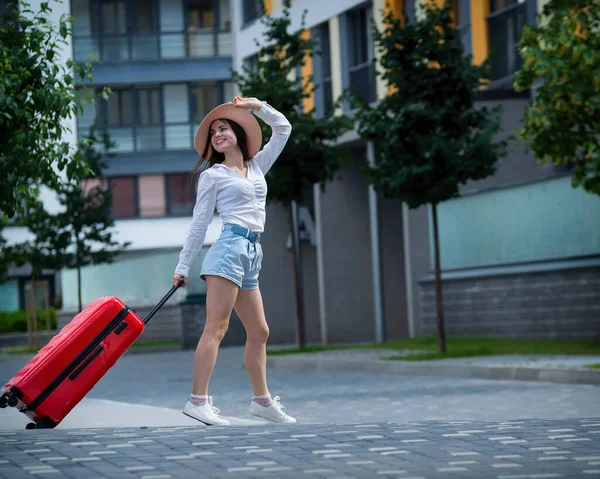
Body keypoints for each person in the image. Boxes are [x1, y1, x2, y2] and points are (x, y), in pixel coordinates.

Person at [172, 96, 296, 426]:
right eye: (213, 133)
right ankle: (197, 400)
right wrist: (183, 266)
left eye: (223, 128)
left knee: (260, 331)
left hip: (253, 252)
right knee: (217, 327)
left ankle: (262, 402)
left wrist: (258, 105)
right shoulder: (213, 176)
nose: (217, 135)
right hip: (228, 249)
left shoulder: (256, 166)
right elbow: (199, 222)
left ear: (238, 133)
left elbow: (283, 129)